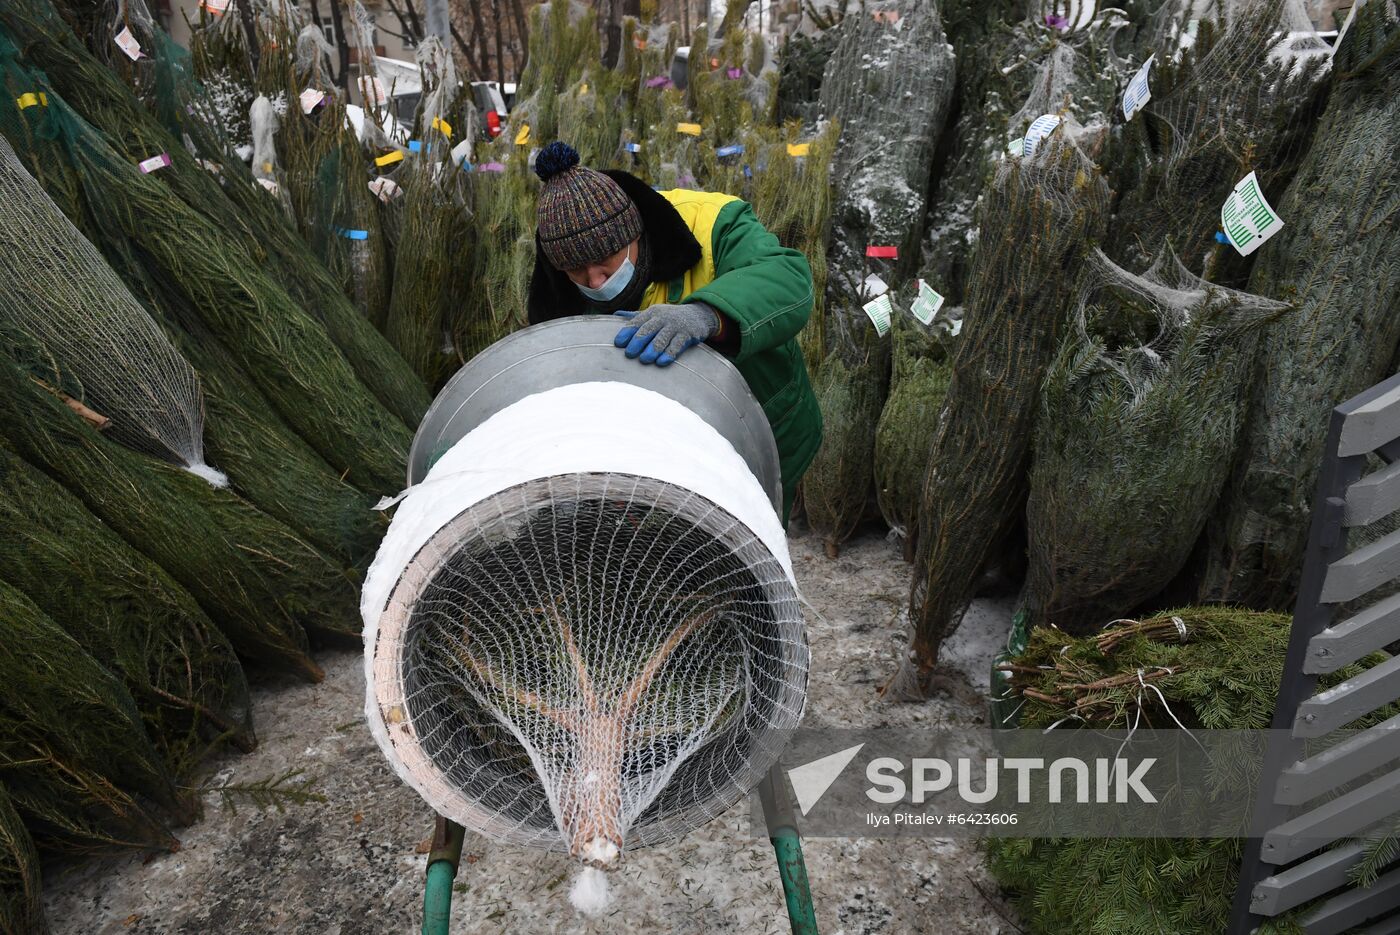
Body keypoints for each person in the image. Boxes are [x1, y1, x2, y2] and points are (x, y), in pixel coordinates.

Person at [525, 141, 821, 526]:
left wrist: (707, 314)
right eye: (578, 273)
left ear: (634, 234)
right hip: (660, 451)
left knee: (748, 536)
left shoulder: (713, 222)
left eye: (605, 263)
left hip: (761, 422)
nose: (595, 282)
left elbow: (788, 279)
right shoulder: (555, 293)